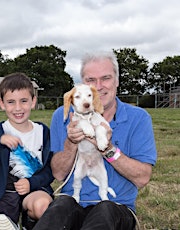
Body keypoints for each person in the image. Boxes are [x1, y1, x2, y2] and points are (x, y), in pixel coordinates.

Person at [33, 51, 157, 230]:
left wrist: (107, 148)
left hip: (116, 206)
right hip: (73, 201)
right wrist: (71, 142)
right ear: (82, 84)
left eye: (106, 78)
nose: (99, 87)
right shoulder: (62, 115)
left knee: (104, 212)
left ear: (117, 81)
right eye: (91, 80)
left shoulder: (138, 118)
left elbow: (143, 177)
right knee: (57, 212)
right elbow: (59, 174)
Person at [0, 73, 54, 230]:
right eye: (11, 102)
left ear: (33, 101)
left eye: (24, 101)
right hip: (5, 192)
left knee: (43, 206)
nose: (18, 108)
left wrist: (31, 183)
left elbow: (50, 171)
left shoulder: (43, 132)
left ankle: (29, 224)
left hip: (35, 189)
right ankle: (11, 224)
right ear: (2, 104)